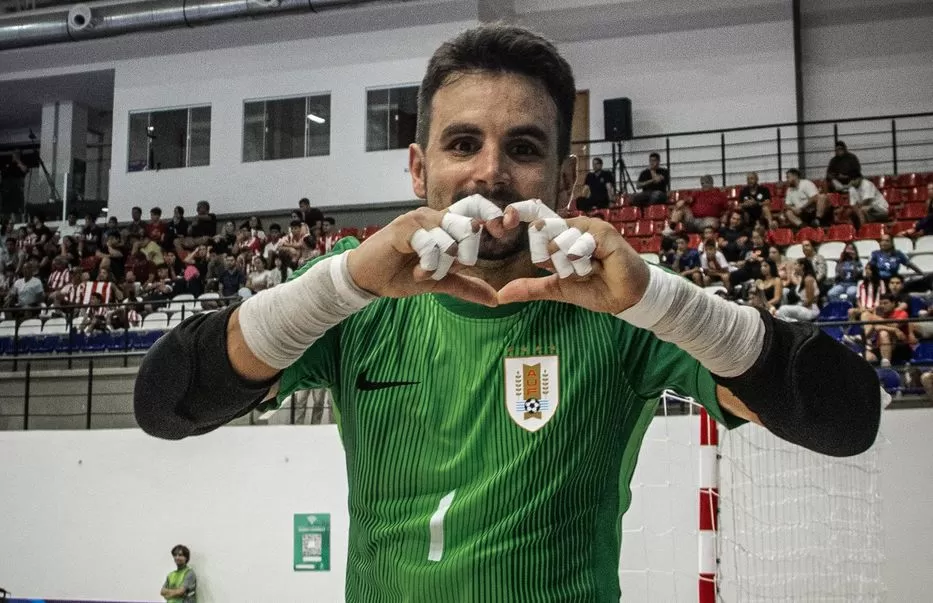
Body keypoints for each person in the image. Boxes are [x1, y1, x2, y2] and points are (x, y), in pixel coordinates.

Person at [135, 25, 880, 602]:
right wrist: (340, 286)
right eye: (463, 143)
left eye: (521, 147)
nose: (490, 171)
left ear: (564, 178)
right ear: (419, 168)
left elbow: (848, 418)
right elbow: (165, 404)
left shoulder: (626, 308)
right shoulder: (353, 299)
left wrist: (659, 299)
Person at [776, 258, 820, 322]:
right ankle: (795, 324)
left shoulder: (808, 279)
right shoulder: (803, 278)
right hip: (803, 306)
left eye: (796, 264)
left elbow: (810, 300)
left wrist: (799, 305)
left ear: (802, 266)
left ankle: (797, 325)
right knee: (777, 313)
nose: (794, 267)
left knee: (783, 309)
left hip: (810, 310)